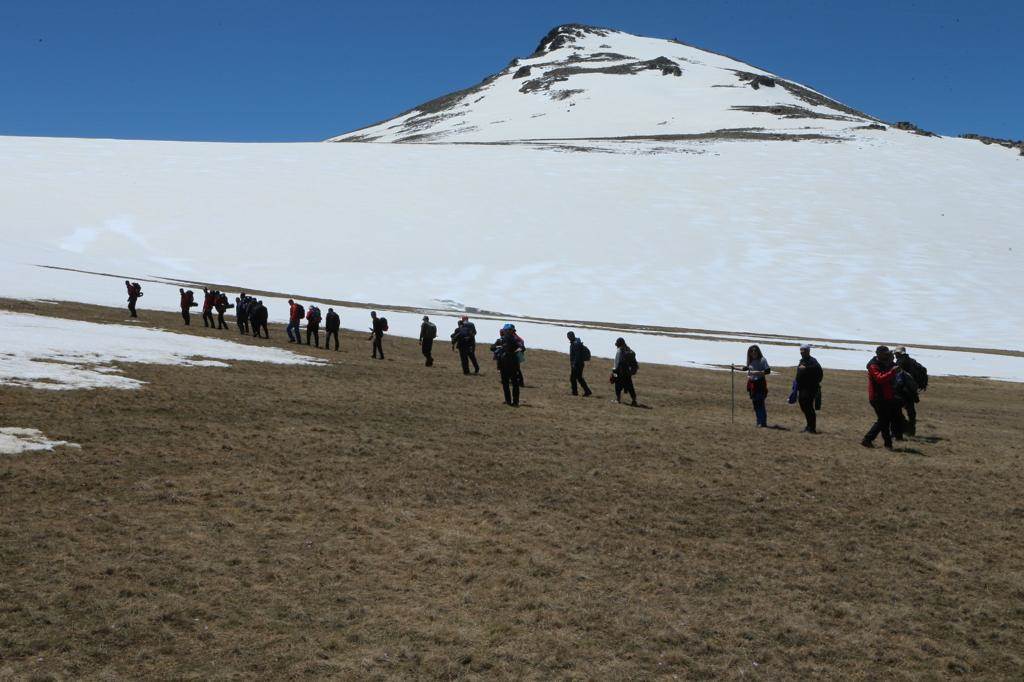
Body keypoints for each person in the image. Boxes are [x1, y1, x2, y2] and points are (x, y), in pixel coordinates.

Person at [862, 345, 903, 449]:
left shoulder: (885, 362)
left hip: (886, 396)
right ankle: (868, 439)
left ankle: (887, 444)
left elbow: (893, 369)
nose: (887, 355)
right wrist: (893, 371)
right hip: (877, 397)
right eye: (885, 354)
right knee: (884, 420)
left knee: (885, 420)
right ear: (879, 354)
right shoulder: (873, 365)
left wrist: (891, 363)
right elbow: (879, 379)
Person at [894, 346, 927, 435]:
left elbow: (898, 377)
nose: (895, 355)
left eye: (895, 353)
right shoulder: (912, 361)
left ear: (898, 353)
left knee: (895, 410)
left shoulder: (900, 362)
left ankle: (904, 428)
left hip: (902, 390)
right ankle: (911, 430)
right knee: (911, 411)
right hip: (912, 390)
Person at [490, 324, 525, 406]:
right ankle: (512, 401)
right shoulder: (513, 340)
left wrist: (500, 347)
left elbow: (492, 348)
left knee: (508, 383)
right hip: (511, 365)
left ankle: (511, 401)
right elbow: (522, 348)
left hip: (507, 364)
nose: (508, 332)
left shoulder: (505, 340)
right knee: (511, 383)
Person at [794, 344, 823, 433]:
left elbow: (818, 371)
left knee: (808, 407)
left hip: (810, 388)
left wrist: (806, 368)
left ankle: (811, 428)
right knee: (803, 406)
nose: (802, 352)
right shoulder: (802, 360)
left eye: (804, 351)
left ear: (808, 351)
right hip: (802, 388)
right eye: (801, 351)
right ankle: (808, 426)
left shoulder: (812, 361)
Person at [743, 345, 770, 426]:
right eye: (751, 351)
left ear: (758, 351)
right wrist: (745, 368)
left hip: (760, 383)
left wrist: (757, 372)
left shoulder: (762, 360)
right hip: (752, 384)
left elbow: (768, 371)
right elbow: (749, 369)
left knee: (760, 403)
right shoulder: (750, 360)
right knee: (755, 404)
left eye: (755, 351)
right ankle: (759, 421)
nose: (753, 352)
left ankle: (763, 422)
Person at [612, 337, 638, 405]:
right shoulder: (628, 349)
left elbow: (617, 362)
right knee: (630, 386)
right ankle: (634, 400)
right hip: (627, 372)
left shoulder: (620, 351)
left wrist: (614, 372)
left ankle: (618, 399)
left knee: (617, 385)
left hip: (619, 372)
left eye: (617, 343)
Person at [567, 331, 592, 396]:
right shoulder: (576, 343)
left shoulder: (575, 344)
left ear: (572, 336)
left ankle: (575, 392)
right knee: (579, 378)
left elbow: (577, 355)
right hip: (579, 364)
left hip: (577, 364)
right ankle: (587, 391)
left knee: (573, 378)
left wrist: (574, 364)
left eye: (569, 336)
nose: (568, 338)